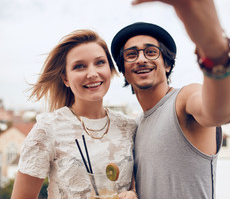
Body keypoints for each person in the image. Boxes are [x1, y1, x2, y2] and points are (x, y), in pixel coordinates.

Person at [110, 0, 230, 198]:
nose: (141, 59)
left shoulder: (184, 100)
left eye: (151, 51)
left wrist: (214, 50)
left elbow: (221, 112)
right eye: (131, 54)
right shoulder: (137, 125)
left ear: (167, 63)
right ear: (124, 70)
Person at [11, 30, 137, 199]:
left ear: (110, 69)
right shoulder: (48, 129)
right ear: (65, 79)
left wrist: (132, 194)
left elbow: (137, 186)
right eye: (79, 66)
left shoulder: (129, 126)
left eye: (100, 62)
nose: (92, 73)